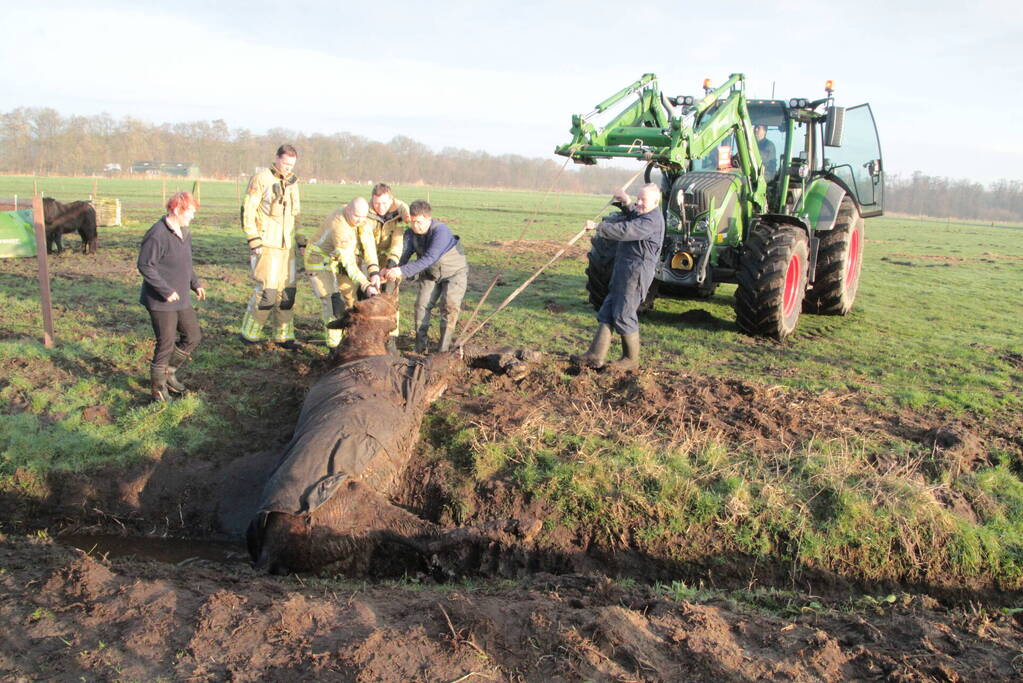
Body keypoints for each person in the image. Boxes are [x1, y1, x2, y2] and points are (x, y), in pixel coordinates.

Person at [572, 183, 664, 371]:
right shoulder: (645, 214)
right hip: (624, 272)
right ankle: (595, 356)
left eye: (643, 200)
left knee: (624, 314)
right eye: (638, 198)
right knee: (607, 311)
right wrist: (626, 203)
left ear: (656, 202)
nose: (639, 203)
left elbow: (626, 230)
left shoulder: (652, 221)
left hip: (636, 275)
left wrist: (598, 226)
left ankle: (631, 360)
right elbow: (634, 216)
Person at [137, 192, 205, 402]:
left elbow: (185, 263)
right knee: (165, 343)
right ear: (176, 210)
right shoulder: (157, 233)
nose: (192, 216)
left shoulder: (184, 232)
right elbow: (145, 265)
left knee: (193, 336)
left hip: (181, 296)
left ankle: (169, 373)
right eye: (190, 211)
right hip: (160, 300)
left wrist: (195, 283)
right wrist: (165, 290)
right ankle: (158, 390)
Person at [379, 200, 467, 353]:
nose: (415, 226)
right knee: (421, 306)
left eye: (419, 222)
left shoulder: (441, 232)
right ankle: (420, 349)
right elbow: (403, 256)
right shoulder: (410, 234)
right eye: (412, 222)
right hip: (431, 275)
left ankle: (442, 351)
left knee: (449, 307)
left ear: (428, 219)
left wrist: (401, 271)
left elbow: (429, 258)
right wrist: (389, 270)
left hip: (454, 274)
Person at [239, 144, 302, 349]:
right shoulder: (261, 179)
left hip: (288, 247)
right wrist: (253, 238)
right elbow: (247, 210)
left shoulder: (293, 183)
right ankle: (249, 334)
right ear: (276, 158)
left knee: (287, 293)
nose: (287, 168)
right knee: (267, 292)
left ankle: (283, 336)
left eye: (291, 164)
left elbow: (296, 216)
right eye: (285, 163)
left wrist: (300, 240)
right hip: (267, 244)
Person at [304, 197, 380, 347]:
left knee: (352, 301)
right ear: (348, 210)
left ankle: (351, 339)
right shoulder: (340, 227)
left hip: (337, 261)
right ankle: (334, 347)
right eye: (356, 216)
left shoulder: (361, 218)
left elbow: (369, 247)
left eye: (363, 217)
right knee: (333, 303)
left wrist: (374, 272)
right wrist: (366, 284)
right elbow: (349, 263)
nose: (359, 220)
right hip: (319, 260)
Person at [366, 183, 410, 353]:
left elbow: (397, 242)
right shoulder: (366, 213)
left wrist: (391, 265)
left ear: (391, 200)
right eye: (377, 203)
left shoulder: (397, 214)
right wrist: (374, 271)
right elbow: (367, 244)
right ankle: (370, 336)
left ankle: (391, 339)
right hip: (368, 259)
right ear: (372, 200)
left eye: (384, 203)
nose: (380, 207)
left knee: (391, 298)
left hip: (391, 260)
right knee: (368, 296)